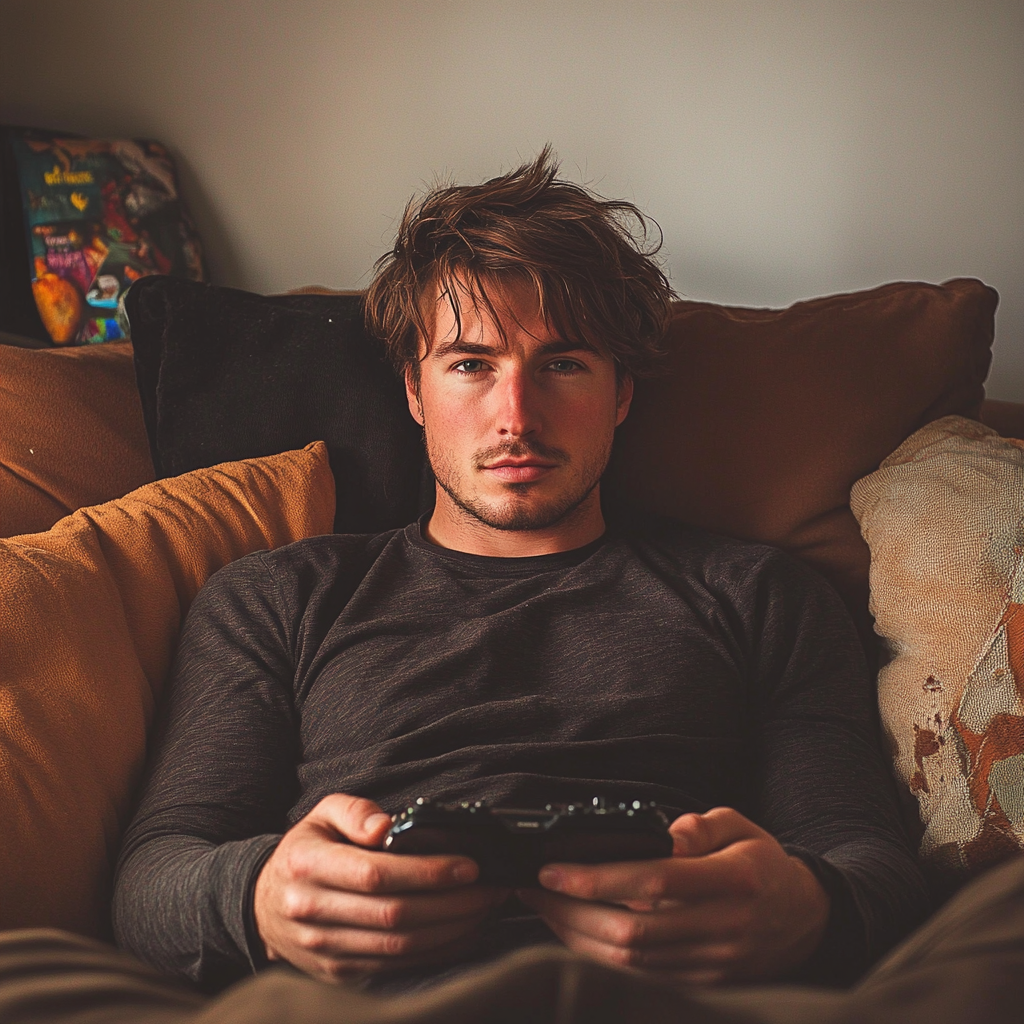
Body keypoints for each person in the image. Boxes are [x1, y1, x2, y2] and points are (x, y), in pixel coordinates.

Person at [112, 150, 928, 994]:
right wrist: (264, 899)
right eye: (471, 364)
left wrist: (805, 905)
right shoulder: (275, 599)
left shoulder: (762, 596)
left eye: (564, 364)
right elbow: (152, 878)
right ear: (414, 391)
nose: (517, 417)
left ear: (621, 394)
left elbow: (870, 858)